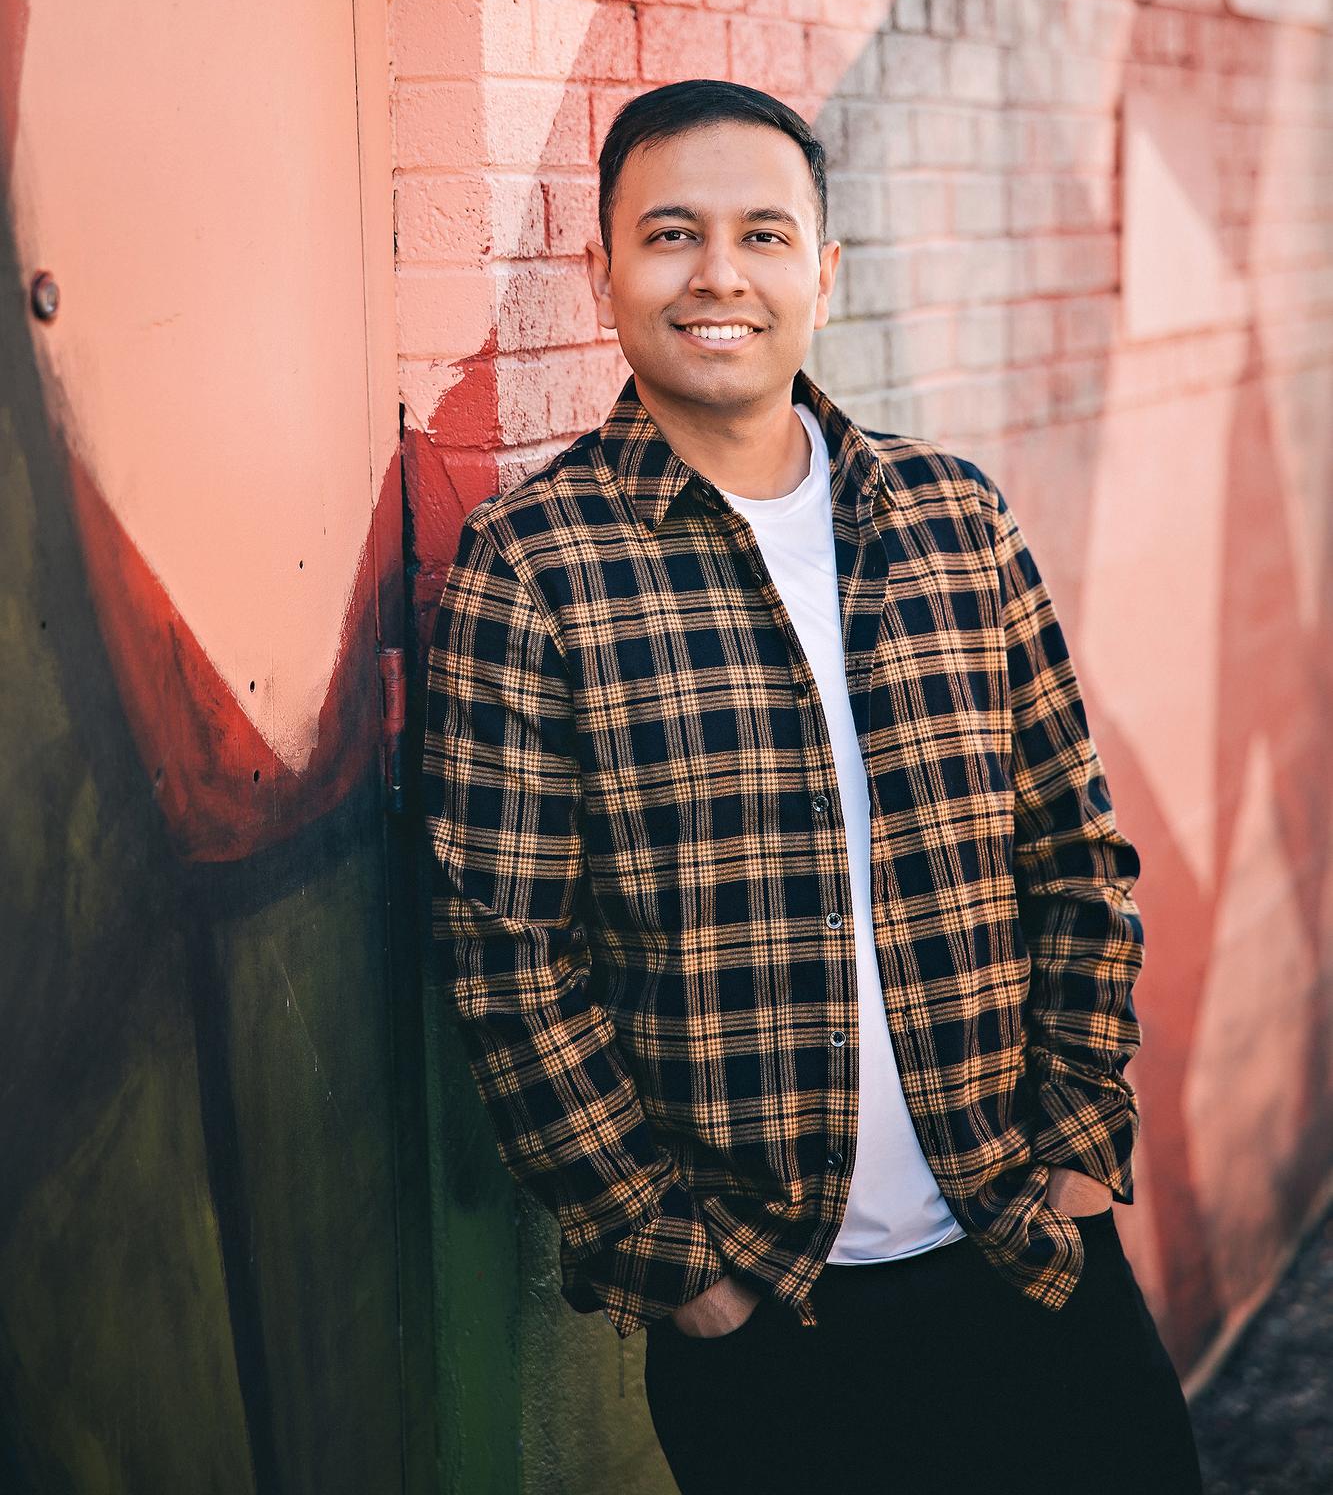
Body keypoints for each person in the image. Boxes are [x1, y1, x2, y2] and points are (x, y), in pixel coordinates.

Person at [422, 79, 1202, 1494]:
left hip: (1028, 1253)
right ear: (602, 274)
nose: (719, 274)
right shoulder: (534, 568)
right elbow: (509, 958)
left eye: (763, 236)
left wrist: (1081, 1141)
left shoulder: (953, 521)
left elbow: (1071, 849)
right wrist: (673, 1263)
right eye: (671, 235)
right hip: (764, 1322)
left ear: (820, 277)